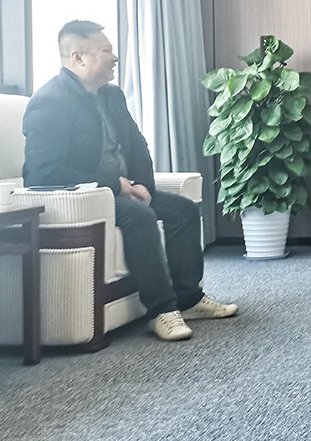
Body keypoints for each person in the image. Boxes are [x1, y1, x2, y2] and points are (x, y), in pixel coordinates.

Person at [22, 20, 237, 342]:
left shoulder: (111, 96)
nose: (115, 57)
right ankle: (161, 311)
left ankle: (189, 299)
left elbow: (137, 147)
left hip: (121, 192)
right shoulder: (50, 100)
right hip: (87, 199)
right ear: (78, 58)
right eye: (106, 50)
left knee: (182, 210)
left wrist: (144, 185)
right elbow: (43, 172)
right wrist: (115, 184)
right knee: (140, 216)